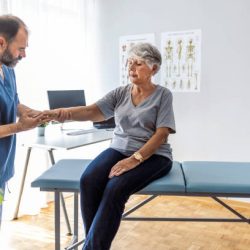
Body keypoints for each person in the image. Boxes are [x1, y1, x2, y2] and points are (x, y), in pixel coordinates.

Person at [45, 42, 176, 250]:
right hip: (119, 148)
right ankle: (94, 244)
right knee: (88, 180)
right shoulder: (121, 93)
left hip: (155, 155)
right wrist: (61, 114)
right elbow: (92, 111)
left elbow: (162, 134)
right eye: (130, 62)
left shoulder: (163, 95)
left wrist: (134, 160)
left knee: (115, 188)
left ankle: (92, 247)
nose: (131, 68)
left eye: (139, 63)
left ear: (154, 69)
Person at [0, 15, 48, 228]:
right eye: (21, 48)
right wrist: (20, 127)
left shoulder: (8, 69)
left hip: (2, 168)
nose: (24, 54)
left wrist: (32, 113)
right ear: (1, 42)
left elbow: (14, 100)